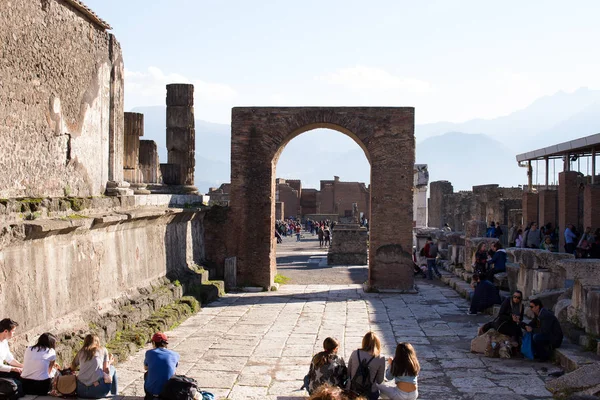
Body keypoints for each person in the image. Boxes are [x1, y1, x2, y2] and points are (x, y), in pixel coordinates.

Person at [71, 334, 117, 398]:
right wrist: (110, 362)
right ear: (97, 342)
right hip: (97, 391)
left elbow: (72, 367)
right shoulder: (103, 350)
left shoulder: (81, 352)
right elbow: (106, 370)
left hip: (81, 391)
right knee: (112, 368)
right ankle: (114, 395)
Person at [347, 332, 385, 400]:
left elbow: (348, 372)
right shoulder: (380, 358)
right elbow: (379, 380)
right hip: (370, 392)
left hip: (354, 391)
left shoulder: (355, 353)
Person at [144, 332, 180, 399]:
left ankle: (152, 393)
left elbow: (146, 367)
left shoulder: (149, 353)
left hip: (152, 393)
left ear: (154, 343)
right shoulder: (175, 354)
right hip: (169, 392)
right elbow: (174, 368)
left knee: (146, 374)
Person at [0, 318, 23, 398]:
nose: (14, 334)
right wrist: (14, 368)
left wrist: (21, 366)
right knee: (14, 386)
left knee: (20, 376)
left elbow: (9, 358)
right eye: (13, 331)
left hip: (2, 370)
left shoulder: (4, 341)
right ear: (6, 331)